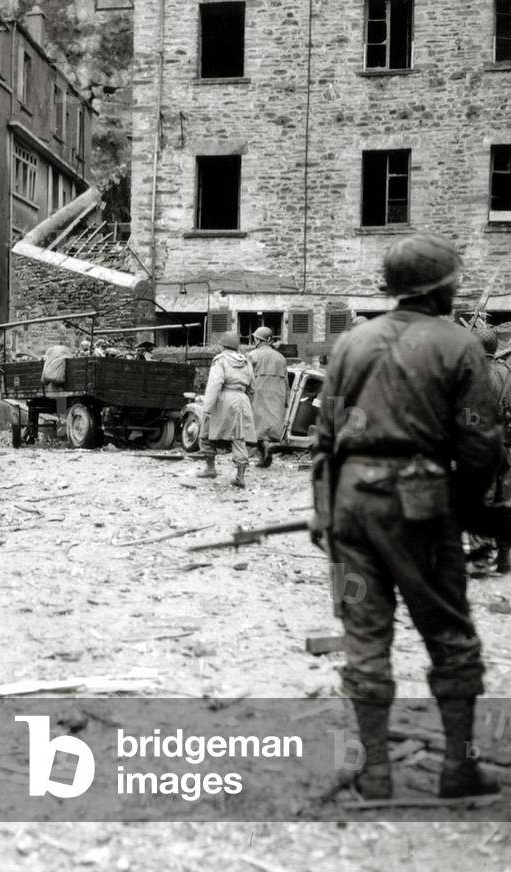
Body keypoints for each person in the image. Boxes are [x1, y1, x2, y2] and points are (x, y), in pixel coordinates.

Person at [312, 231, 502, 801]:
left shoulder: (350, 343)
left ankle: (374, 774)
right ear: (441, 287)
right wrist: (468, 508)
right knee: (449, 633)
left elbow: (326, 436)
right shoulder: (460, 345)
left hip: (349, 505)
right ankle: (458, 768)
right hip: (421, 505)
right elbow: (480, 445)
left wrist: (327, 511)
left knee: (364, 633)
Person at [473, 327, 511, 573]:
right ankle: (504, 559)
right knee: (504, 499)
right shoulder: (508, 373)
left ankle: (481, 558)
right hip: (507, 445)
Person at [196, 331, 257, 488]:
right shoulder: (246, 361)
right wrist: (247, 402)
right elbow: (252, 386)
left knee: (206, 431)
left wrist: (208, 407)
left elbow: (215, 384)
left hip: (223, 399)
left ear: (223, 345)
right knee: (239, 437)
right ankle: (240, 476)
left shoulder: (220, 360)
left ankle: (210, 468)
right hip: (241, 399)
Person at [247, 326, 288, 458]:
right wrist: (287, 399)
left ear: (258, 340)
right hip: (277, 395)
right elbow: (286, 382)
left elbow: (246, 377)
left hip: (258, 395)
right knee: (271, 425)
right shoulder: (281, 357)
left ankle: (257, 451)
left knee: (256, 426)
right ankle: (267, 449)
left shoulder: (253, 355)